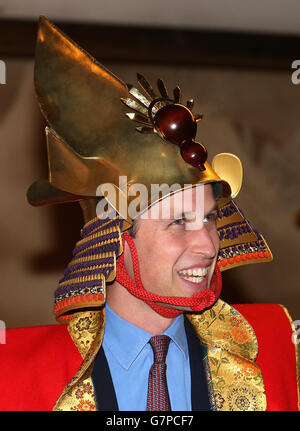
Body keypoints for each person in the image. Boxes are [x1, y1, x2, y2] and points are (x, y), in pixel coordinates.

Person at [0, 16, 298, 412]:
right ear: (114, 240)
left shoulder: (280, 346)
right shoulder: (13, 374)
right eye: (179, 222)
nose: (209, 245)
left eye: (209, 218)